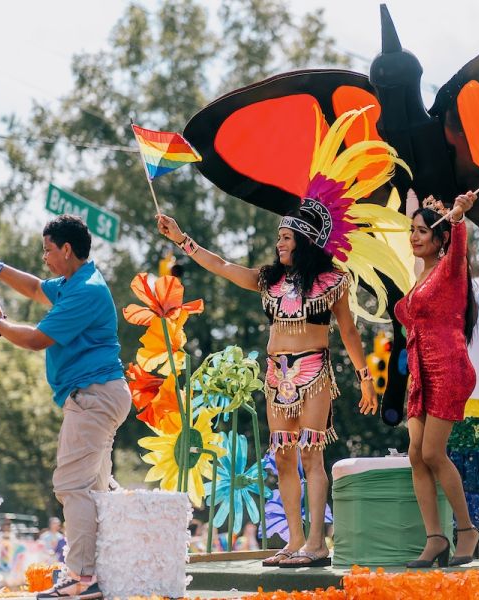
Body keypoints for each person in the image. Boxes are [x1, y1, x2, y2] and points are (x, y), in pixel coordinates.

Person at [155, 107, 418, 568]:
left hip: (315, 372)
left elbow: (351, 332)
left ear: (306, 241)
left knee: (312, 457)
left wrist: (365, 377)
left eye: (285, 237)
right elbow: (222, 266)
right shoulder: (267, 280)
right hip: (275, 375)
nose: (279, 243)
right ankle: (294, 542)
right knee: (283, 460)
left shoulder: (333, 282)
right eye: (278, 237)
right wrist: (183, 241)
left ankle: (318, 543)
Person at [0, 215, 130, 599]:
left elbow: (36, 339)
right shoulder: (74, 283)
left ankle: (81, 577)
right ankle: (97, 576)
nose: (43, 257)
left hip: (93, 397)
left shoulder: (86, 291)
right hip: (99, 395)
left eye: (47, 249)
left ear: (66, 249)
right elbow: (32, 287)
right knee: (92, 489)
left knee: (71, 485)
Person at [395, 192, 479, 568]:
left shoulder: (450, 269)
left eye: (423, 231)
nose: (415, 237)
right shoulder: (421, 276)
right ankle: (435, 538)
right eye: (412, 230)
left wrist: (457, 217)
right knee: (416, 454)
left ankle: (467, 531)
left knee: (432, 453)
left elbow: (459, 240)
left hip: (448, 366)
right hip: (421, 374)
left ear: (439, 238)